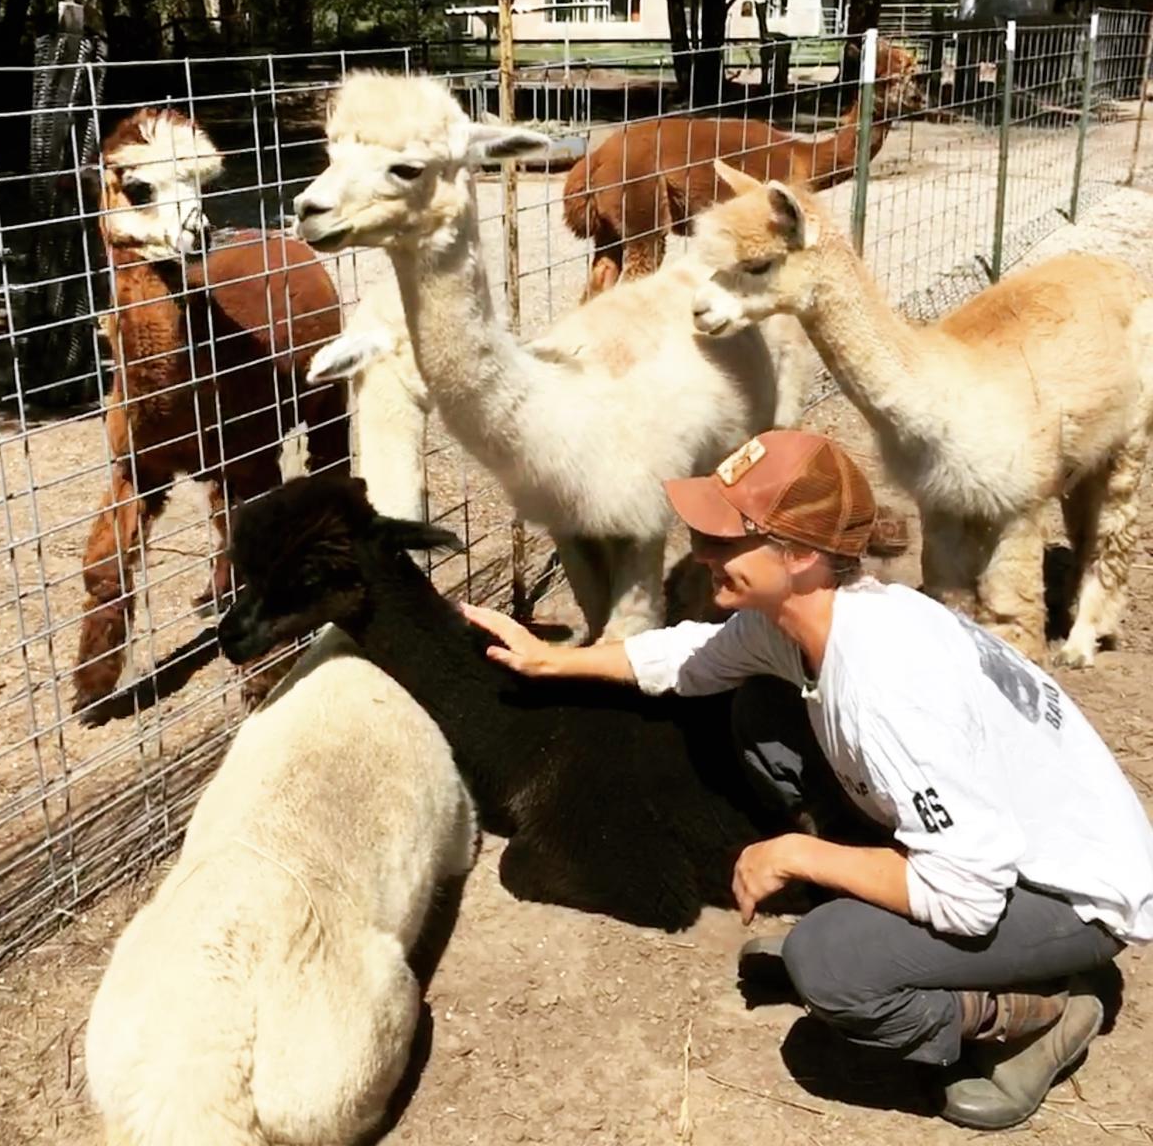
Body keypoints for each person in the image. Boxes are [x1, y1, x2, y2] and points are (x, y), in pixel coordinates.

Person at [461, 429, 1153, 1130]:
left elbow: (970, 895)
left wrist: (799, 854)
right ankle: (908, 944)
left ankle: (1039, 1012)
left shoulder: (884, 691)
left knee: (833, 965)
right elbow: (693, 657)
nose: (701, 555)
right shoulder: (812, 617)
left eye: (724, 540)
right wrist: (552, 661)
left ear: (799, 555)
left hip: (1071, 896)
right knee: (762, 712)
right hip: (1000, 847)